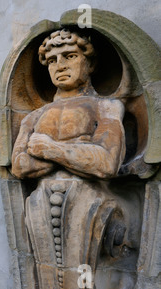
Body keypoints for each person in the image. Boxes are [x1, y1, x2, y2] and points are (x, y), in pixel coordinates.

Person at [11, 29, 126, 180]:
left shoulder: (106, 107)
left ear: (90, 64)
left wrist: (50, 149)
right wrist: (79, 152)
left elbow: (107, 164)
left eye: (70, 56)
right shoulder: (33, 116)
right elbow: (19, 167)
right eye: (52, 60)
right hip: (40, 201)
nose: (60, 66)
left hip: (92, 199)